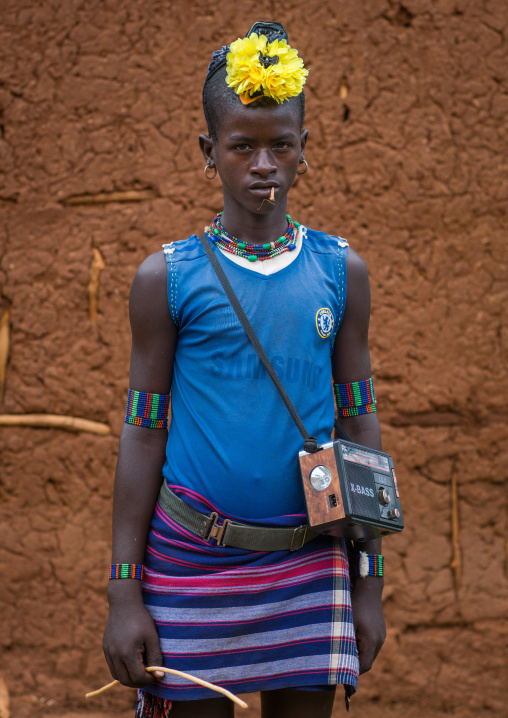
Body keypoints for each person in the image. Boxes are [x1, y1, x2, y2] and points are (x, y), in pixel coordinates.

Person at [103, 21, 386, 718]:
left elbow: (359, 424)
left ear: (303, 150)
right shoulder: (166, 279)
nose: (263, 164)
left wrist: (369, 586)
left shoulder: (339, 272)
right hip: (192, 563)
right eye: (242, 146)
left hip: (308, 567)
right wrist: (123, 592)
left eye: (280, 144)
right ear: (209, 151)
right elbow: (144, 434)